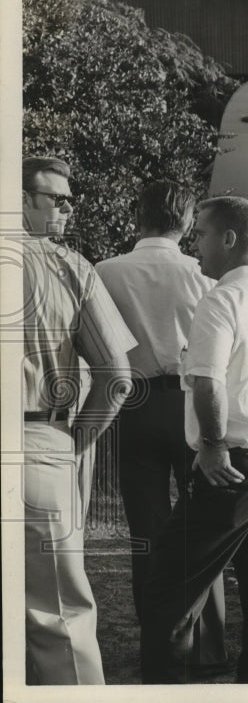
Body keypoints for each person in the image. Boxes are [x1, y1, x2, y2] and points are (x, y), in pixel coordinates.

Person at [140, 196, 248, 683]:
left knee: (168, 586)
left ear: (229, 238)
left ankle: (166, 689)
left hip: (238, 461)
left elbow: (207, 380)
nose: (194, 244)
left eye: (199, 233)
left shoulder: (221, 299)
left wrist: (214, 444)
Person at [95, 181, 226, 672]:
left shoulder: (105, 271)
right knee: (205, 527)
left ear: (136, 215)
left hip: (136, 401)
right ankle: (209, 646)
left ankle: (160, 644)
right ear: (189, 223)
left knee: (147, 530)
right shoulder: (203, 273)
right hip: (193, 401)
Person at [21, 157, 137, 684]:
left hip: (39, 435)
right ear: (19, 199)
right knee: (60, 616)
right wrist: (78, 442)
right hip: (41, 444)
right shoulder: (69, 267)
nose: (69, 208)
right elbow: (117, 374)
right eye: (56, 198)